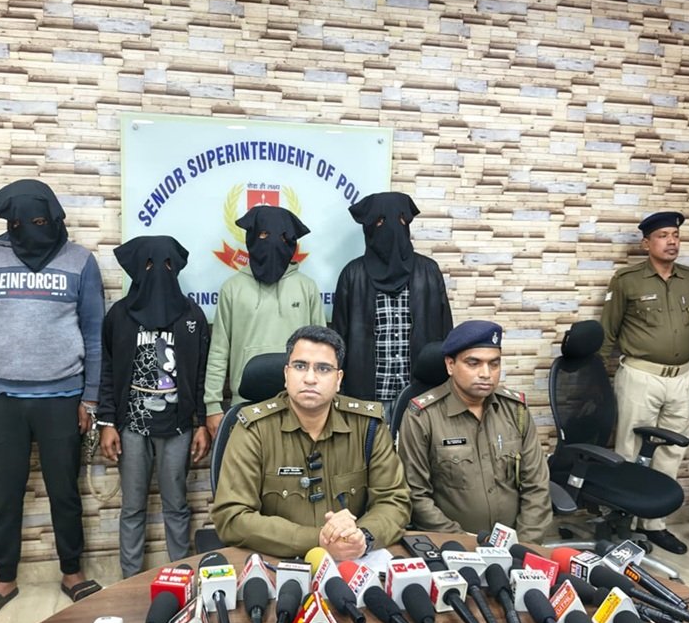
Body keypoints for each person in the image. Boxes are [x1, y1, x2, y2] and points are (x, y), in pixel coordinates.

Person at [0, 179, 104, 622]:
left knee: (65, 493)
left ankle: (72, 572)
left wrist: (90, 399)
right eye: (19, 223)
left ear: (55, 219)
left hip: (63, 398)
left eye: (39, 221)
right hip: (0, 398)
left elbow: (94, 334)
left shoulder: (80, 261)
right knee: (5, 495)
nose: (28, 230)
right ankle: (4, 578)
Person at [211, 326, 411, 559]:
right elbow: (232, 517)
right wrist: (317, 540)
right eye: (300, 366)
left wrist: (363, 536)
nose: (309, 378)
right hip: (276, 561)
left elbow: (394, 501)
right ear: (286, 374)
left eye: (323, 369)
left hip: (353, 560)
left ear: (338, 379)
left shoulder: (367, 426)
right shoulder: (254, 429)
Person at [97, 236, 210, 577]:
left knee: (176, 504)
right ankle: (130, 579)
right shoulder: (119, 316)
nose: (159, 271)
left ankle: (181, 573)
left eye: (167, 264)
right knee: (132, 506)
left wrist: (201, 423)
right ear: (135, 268)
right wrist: (106, 422)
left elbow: (201, 374)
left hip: (178, 425)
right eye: (148, 265)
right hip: (131, 425)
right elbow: (107, 370)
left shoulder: (192, 316)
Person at [600, 211, 689, 554]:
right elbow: (608, 332)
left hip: (682, 379)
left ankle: (654, 524)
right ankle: (622, 522)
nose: (672, 241)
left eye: (675, 235)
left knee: (670, 451)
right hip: (640, 376)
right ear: (646, 243)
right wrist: (596, 383)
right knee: (629, 450)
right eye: (663, 235)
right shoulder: (627, 280)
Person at [397, 320, 552, 544]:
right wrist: (467, 544)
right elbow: (416, 495)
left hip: (516, 544)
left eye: (494, 364)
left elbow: (537, 486)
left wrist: (524, 545)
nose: (486, 373)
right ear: (450, 365)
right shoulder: (422, 416)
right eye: (474, 363)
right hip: (452, 546)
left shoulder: (515, 410)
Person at [204, 205, 325, 439]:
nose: (273, 243)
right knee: (244, 463)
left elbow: (321, 350)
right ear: (251, 237)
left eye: (283, 237)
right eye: (263, 235)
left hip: (299, 402)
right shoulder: (232, 288)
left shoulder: (307, 288)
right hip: (245, 404)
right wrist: (212, 405)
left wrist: (321, 399)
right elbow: (219, 349)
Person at [332, 191, 452, 413]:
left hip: (422, 396)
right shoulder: (352, 274)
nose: (391, 229)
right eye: (380, 221)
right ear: (369, 228)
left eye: (400, 220)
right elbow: (338, 340)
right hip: (366, 397)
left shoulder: (428, 271)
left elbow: (446, 334)